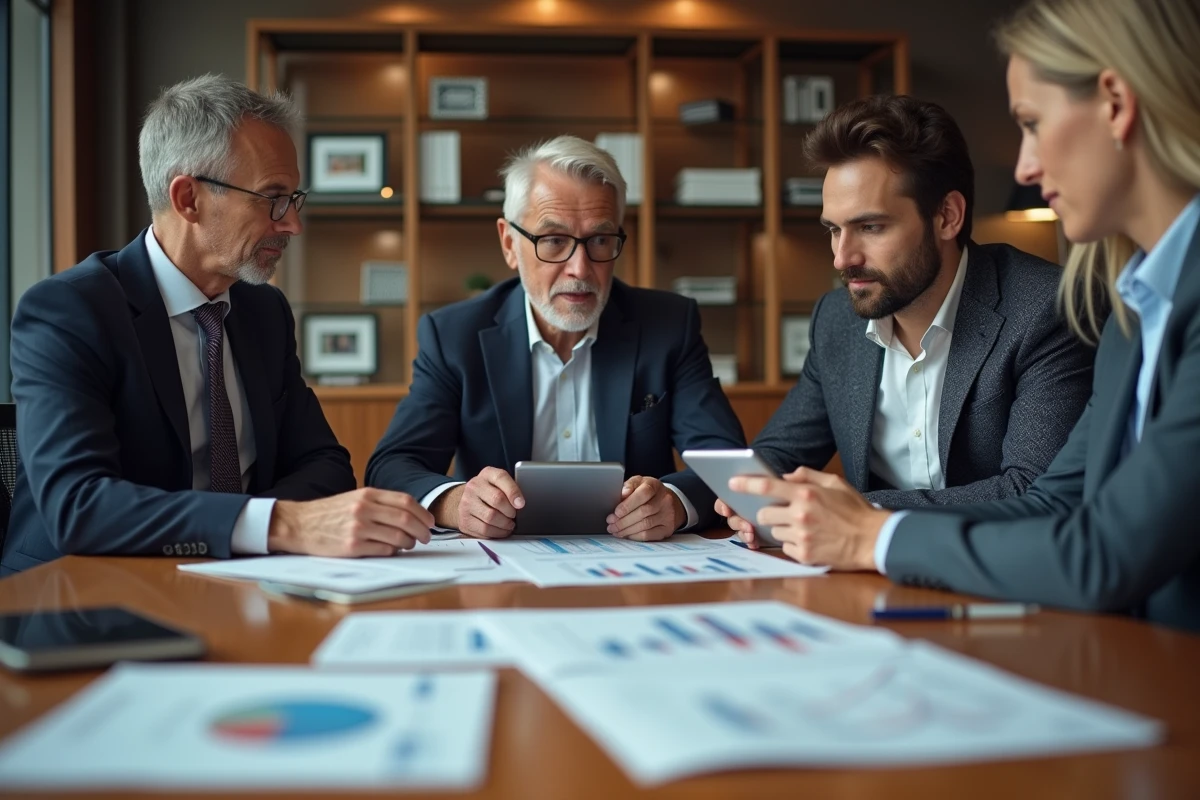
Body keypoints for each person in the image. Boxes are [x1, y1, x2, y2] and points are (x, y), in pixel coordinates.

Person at [729, 0, 1200, 631]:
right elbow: (1060, 501)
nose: (1026, 166)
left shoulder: (1069, 305)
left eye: (1031, 123)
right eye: (832, 231)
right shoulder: (1131, 309)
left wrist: (870, 532)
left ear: (1115, 103)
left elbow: (1095, 546)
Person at [1, 75, 433, 576]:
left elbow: (327, 466)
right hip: (80, 593)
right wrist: (278, 524)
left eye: (295, 199)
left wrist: (257, 534)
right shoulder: (69, 312)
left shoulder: (263, 312)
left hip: (243, 581)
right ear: (188, 199)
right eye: (272, 198)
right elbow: (77, 507)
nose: (292, 223)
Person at [719, 94, 1096, 546]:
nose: (843, 257)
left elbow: (1032, 492)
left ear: (947, 216)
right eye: (834, 229)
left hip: (998, 577)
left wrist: (854, 515)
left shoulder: (1045, 309)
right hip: (866, 580)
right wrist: (702, 497)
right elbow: (778, 453)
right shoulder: (837, 319)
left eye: (871, 227)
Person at [366, 135, 746, 541]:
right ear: (509, 243)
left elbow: (726, 462)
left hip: (635, 567)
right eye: (554, 240)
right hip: (502, 575)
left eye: (600, 240)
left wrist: (673, 501)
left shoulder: (668, 325)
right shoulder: (454, 336)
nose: (579, 269)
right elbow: (393, 466)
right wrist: (456, 502)